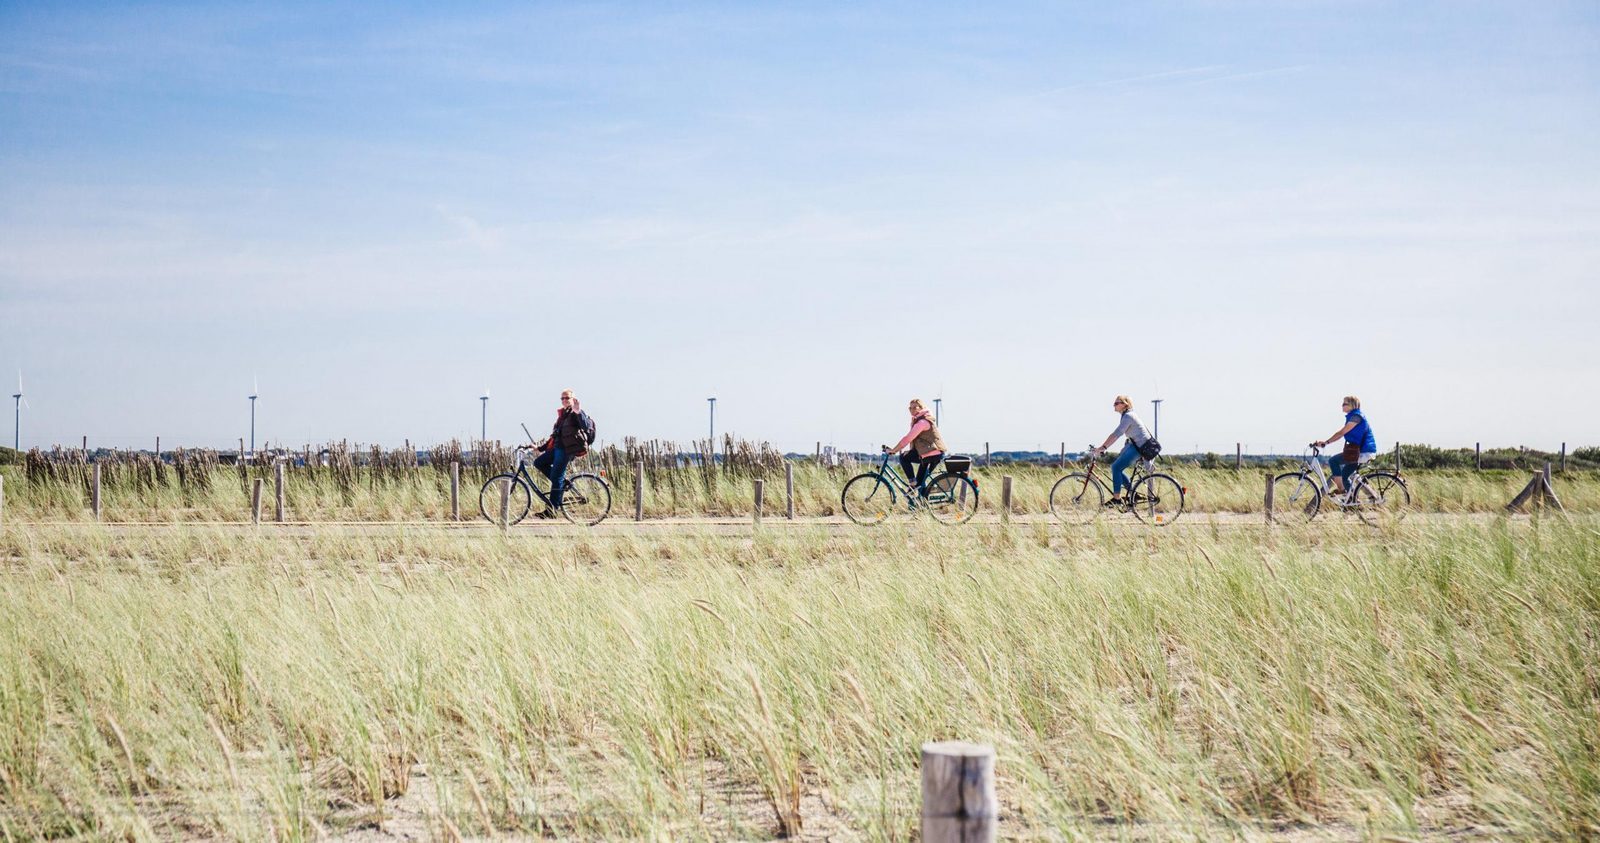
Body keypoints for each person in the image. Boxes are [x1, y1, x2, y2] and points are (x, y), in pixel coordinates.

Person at [533, 389, 592, 516]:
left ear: (573, 398)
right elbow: (555, 436)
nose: (564, 400)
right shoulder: (563, 415)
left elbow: (586, 426)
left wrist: (578, 411)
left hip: (567, 450)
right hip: (557, 448)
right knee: (538, 463)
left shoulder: (576, 413)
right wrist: (540, 448)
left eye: (567, 398)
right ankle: (561, 483)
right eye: (562, 398)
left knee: (556, 477)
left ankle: (552, 511)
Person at [1091, 395, 1152, 506]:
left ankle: (1117, 499)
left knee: (1116, 467)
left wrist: (1103, 447)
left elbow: (1116, 434)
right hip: (1136, 445)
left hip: (1140, 447)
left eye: (1116, 403)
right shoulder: (1127, 415)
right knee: (1116, 467)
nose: (1114, 405)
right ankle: (1134, 494)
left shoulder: (1128, 416)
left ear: (1125, 404)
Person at [1314, 395, 1377, 498]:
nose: (1342, 405)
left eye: (1344, 403)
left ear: (1352, 405)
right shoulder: (1353, 416)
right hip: (1358, 451)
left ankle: (1342, 490)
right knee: (1344, 476)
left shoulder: (1357, 417)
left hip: (1363, 452)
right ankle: (1353, 502)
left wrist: (1326, 442)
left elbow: (1341, 433)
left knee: (1333, 461)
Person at [884, 398, 945, 497]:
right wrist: (911, 451)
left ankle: (912, 482)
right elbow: (920, 442)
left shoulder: (922, 422)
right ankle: (921, 505)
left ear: (921, 408)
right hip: (928, 454)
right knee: (920, 483)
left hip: (932, 455)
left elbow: (908, 438)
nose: (912, 410)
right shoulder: (918, 420)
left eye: (915, 407)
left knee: (903, 457)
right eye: (910, 408)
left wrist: (894, 450)